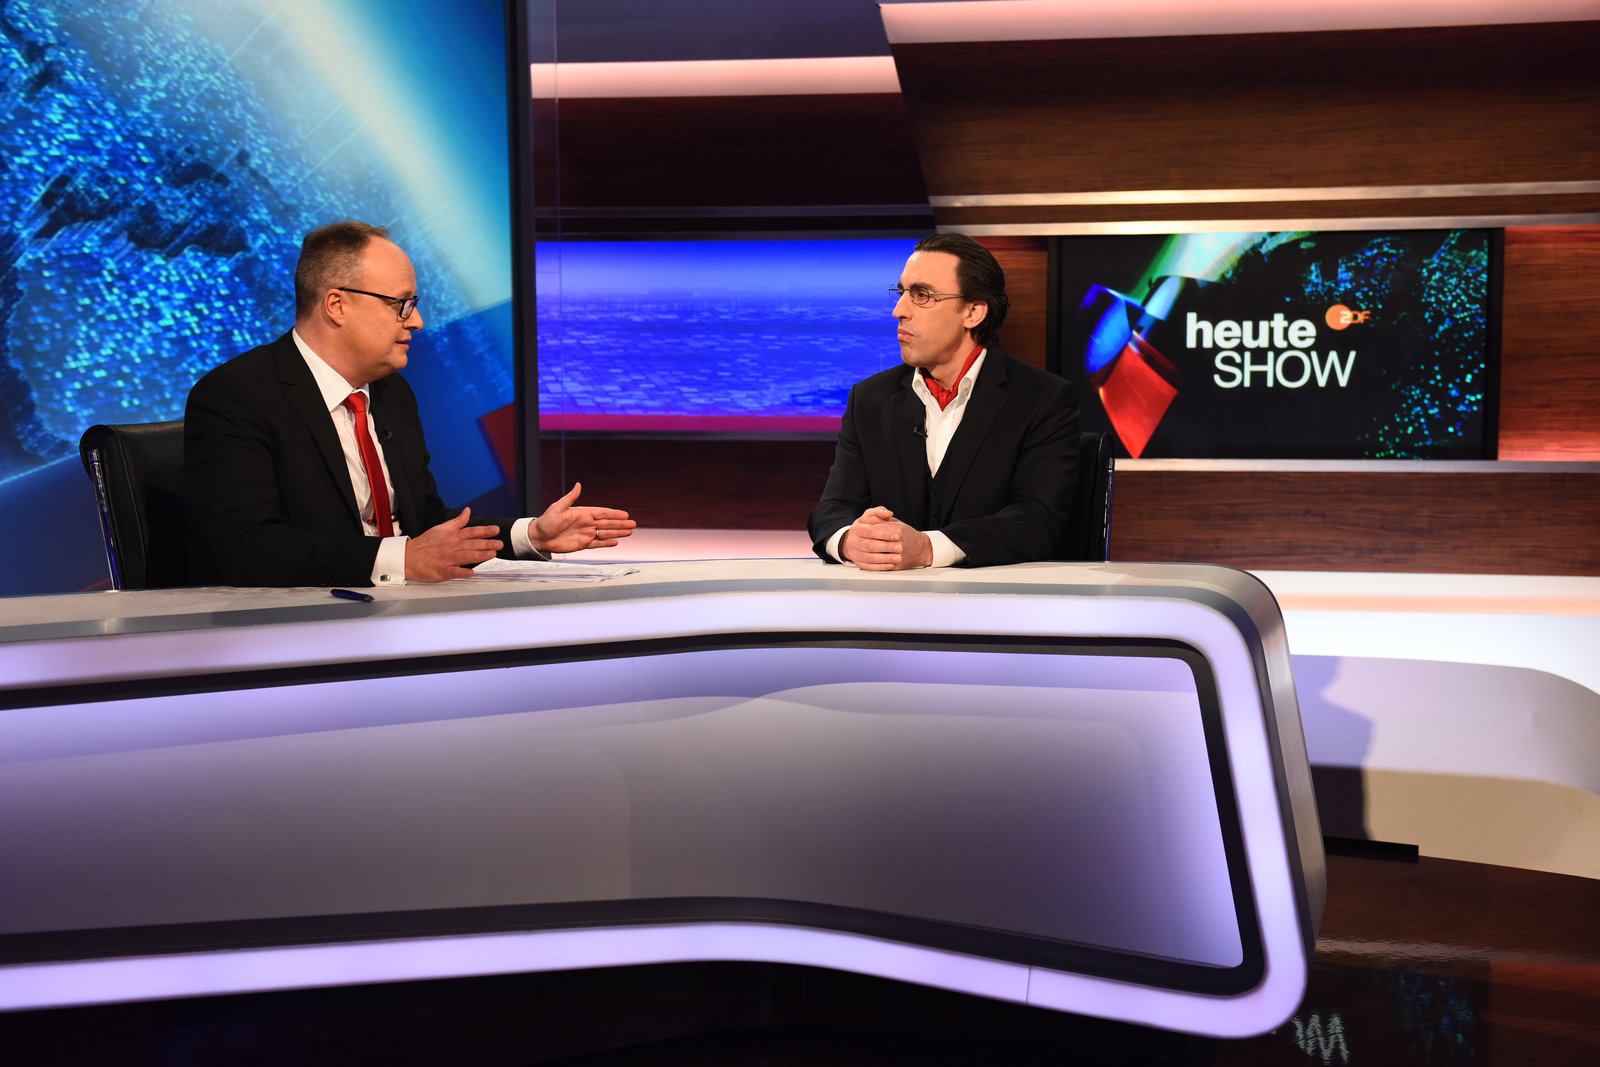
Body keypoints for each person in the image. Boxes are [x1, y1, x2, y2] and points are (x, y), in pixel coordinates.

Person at [185, 220, 634, 587]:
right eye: (400, 304)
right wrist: (403, 559)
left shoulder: (392, 393)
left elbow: (427, 523)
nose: (416, 321)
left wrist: (531, 534)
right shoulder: (236, 394)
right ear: (337, 305)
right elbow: (250, 548)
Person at [808, 233, 1079, 570]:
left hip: (995, 595)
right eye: (902, 293)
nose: (898, 311)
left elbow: (1036, 520)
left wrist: (927, 548)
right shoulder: (870, 398)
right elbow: (833, 508)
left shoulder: (1042, 399)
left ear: (973, 312)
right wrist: (850, 540)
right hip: (886, 596)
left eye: (922, 295)